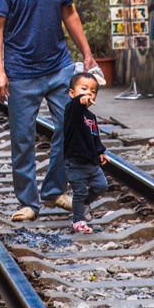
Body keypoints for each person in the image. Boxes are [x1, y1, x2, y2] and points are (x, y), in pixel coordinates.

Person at [0, 0, 97, 222]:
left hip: (59, 66)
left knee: (71, 128)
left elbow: (70, 13)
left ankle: (53, 190)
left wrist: (87, 53)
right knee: (22, 139)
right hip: (21, 72)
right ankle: (28, 201)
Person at [64, 71, 108, 234]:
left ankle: (82, 205)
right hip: (75, 162)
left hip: (91, 162)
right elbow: (76, 106)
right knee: (80, 191)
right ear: (72, 93)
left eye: (93, 91)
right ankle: (78, 221)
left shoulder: (91, 116)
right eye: (84, 89)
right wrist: (79, 101)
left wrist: (100, 152)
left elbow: (95, 137)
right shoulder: (72, 111)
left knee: (101, 186)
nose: (89, 93)